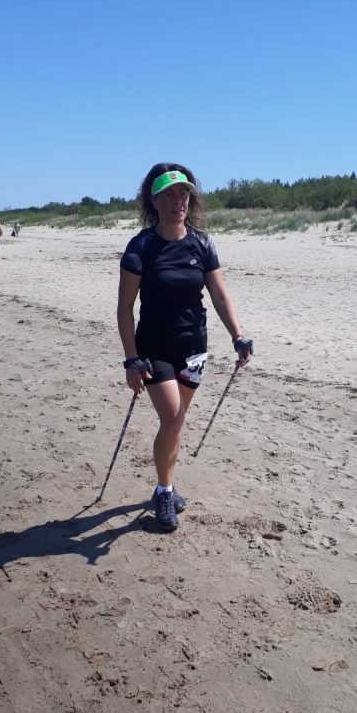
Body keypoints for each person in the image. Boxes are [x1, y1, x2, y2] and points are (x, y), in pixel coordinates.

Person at [117, 163, 253, 532]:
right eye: (169, 195)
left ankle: (166, 484)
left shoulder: (202, 244)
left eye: (184, 194)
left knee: (175, 424)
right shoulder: (141, 247)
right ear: (154, 201)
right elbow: (125, 309)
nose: (179, 201)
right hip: (153, 349)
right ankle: (164, 492)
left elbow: (220, 296)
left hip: (193, 348)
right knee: (173, 418)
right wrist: (131, 359)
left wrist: (237, 336)